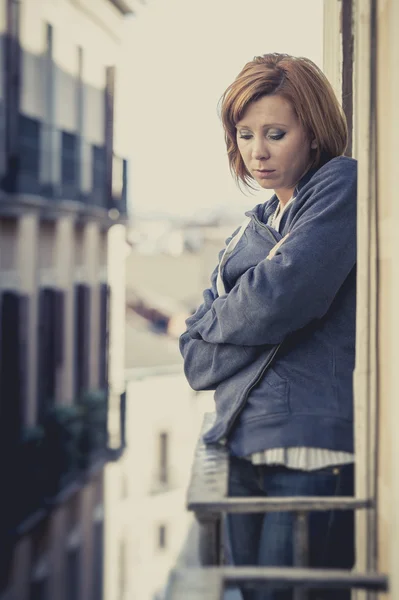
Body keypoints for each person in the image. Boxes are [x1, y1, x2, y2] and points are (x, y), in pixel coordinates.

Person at [179, 53, 356, 600]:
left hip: (308, 448)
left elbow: (282, 299)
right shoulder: (251, 229)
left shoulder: (339, 185)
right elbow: (195, 359)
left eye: (276, 133)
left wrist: (225, 318)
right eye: (245, 133)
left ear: (314, 131)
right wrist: (237, 315)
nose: (258, 151)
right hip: (240, 444)